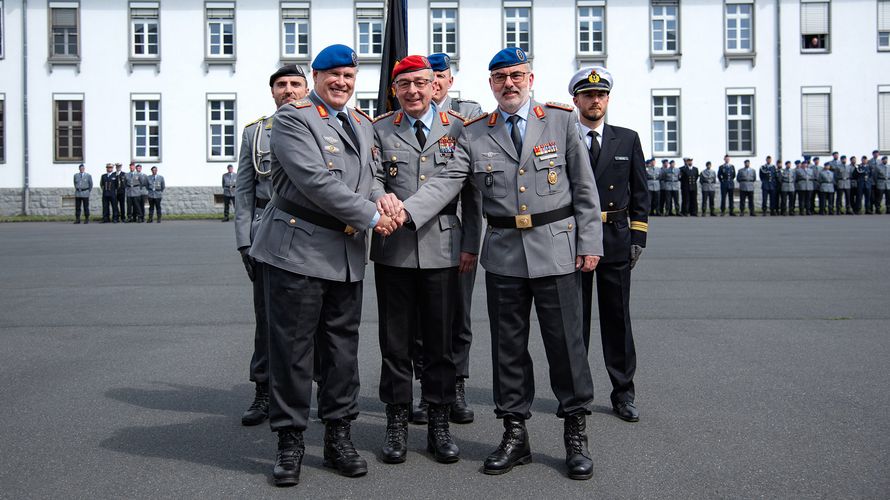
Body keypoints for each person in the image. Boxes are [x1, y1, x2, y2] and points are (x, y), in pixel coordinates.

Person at [393, 46, 603, 481]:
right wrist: (408, 212)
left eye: (516, 75)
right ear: (490, 84)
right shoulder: (475, 132)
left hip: (557, 250)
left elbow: (584, 187)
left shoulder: (562, 121)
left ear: (530, 78)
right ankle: (515, 434)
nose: (509, 83)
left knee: (566, 346)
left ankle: (575, 434)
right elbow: (450, 182)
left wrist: (590, 241)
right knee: (509, 351)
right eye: (500, 77)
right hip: (505, 253)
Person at [248, 44, 399, 487]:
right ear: (315, 77)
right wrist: (373, 216)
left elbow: (368, 175)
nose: (341, 83)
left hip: (346, 254)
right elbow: (315, 181)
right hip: (297, 250)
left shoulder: (360, 123)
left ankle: (338, 436)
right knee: (293, 352)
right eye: (332, 75)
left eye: (349, 76)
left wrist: (381, 196)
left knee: (340, 352)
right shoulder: (293, 119)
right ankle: (290, 441)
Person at [370, 55, 481, 465]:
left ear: (435, 85)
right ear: (394, 90)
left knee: (440, 342)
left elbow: (471, 192)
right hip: (394, 247)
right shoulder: (380, 128)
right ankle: (396, 422)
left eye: (420, 83)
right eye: (404, 85)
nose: (413, 92)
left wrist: (472, 243)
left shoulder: (460, 128)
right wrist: (380, 200)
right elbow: (373, 176)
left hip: (444, 248)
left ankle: (438, 422)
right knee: (395, 343)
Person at [569, 66, 648, 425]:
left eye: (600, 95)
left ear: (608, 99)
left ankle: (623, 392)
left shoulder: (627, 139)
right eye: (588, 95)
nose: (595, 100)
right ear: (577, 100)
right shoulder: (564, 137)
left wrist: (638, 236)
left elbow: (641, 191)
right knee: (576, 323)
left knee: (617, 321)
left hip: (615, 237)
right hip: (574, 241)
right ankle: (578, 393)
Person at [235, 64, 309, 428]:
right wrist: (243, 242)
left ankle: (320, 390)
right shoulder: (256, 133)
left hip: (313, 232)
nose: (289, 90)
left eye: (296, 84)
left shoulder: (322, 126)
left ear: (307, 88)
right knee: (267, 319)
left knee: (319, 319)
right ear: (273, 92)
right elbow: (244, 191)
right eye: (282, 85)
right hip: (267, 233)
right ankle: (264, 390)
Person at [424, 51, 483, 425]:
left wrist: (471, 243)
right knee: (419, 321)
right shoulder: (403, 116)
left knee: (458, 314)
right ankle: (426, 388)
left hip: (455, 231)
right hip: (416, 235)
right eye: (429, 75)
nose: (435, 82)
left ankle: (457, 385)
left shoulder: (466, 121)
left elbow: (474, 192)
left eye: (440, 75)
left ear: (448, 79)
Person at [428, 52, 483, 119]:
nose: (435, 81)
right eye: (431, 77)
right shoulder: (415, 112)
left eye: (440, 76)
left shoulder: (469, 111)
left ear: (450, 82)